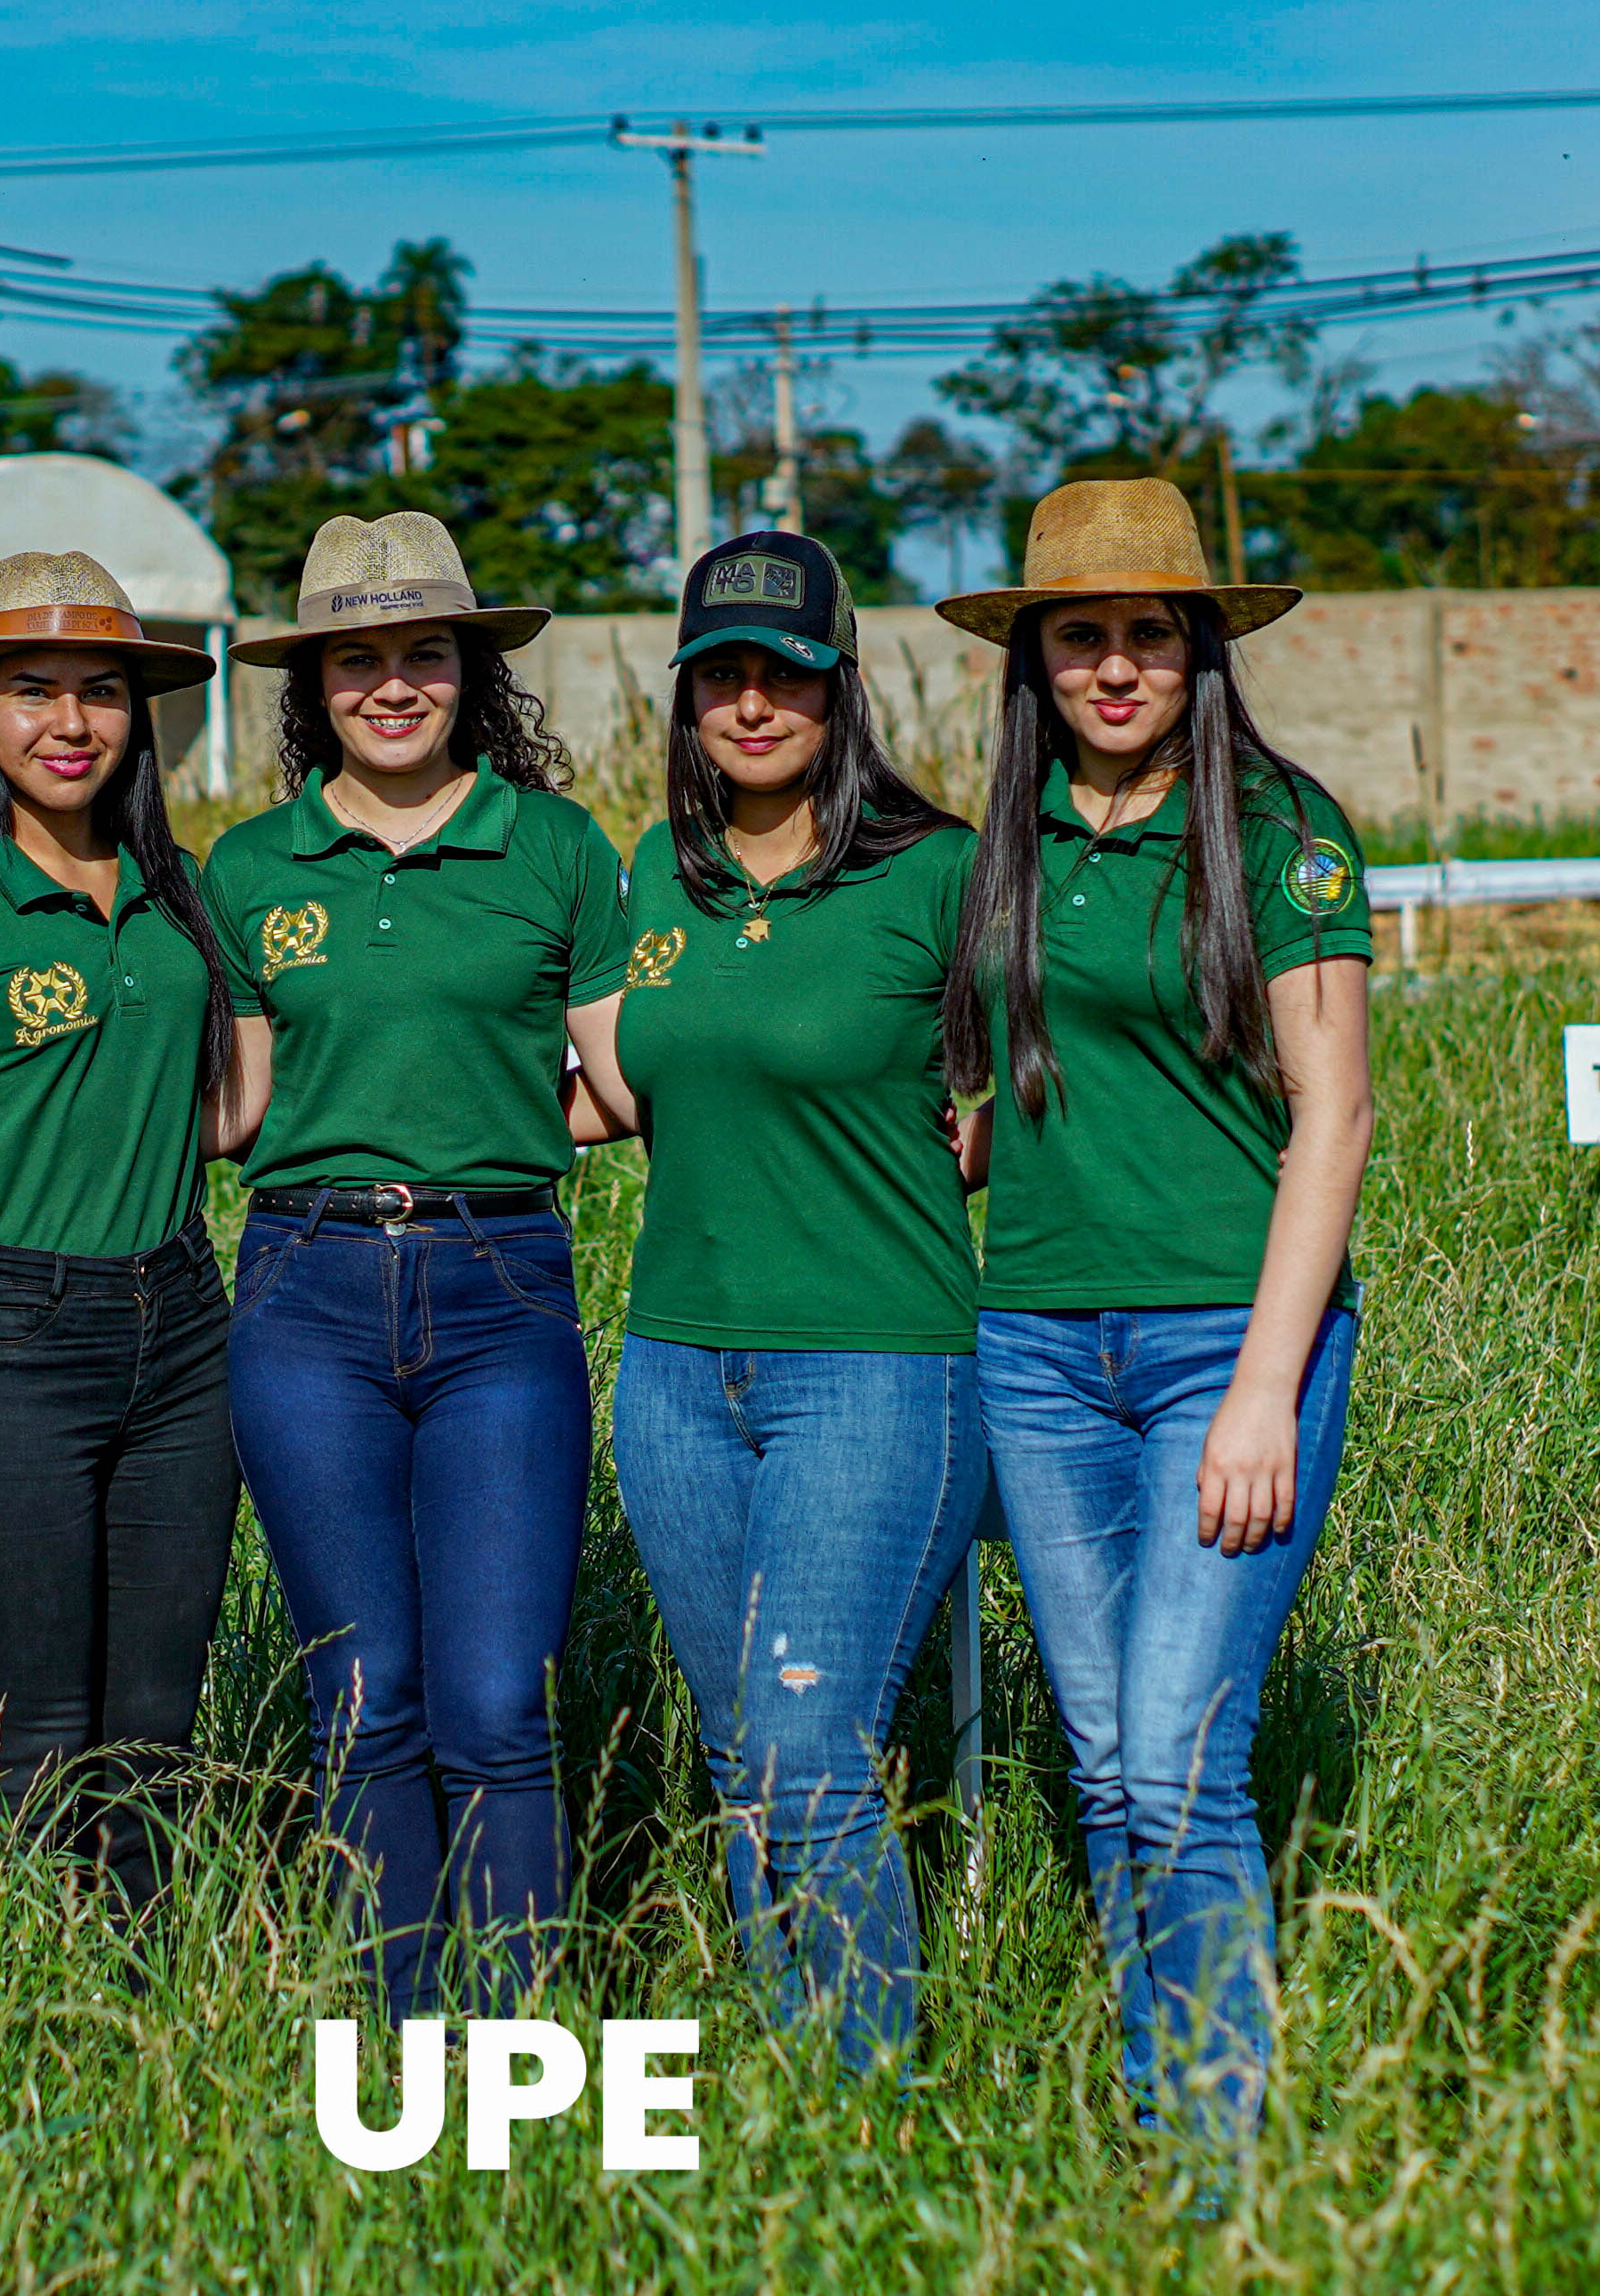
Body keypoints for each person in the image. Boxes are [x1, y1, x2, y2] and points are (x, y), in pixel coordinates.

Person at [936, 478, 1375, 2156]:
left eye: (1147, 635)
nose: (1115, 668)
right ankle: (1154, 2103)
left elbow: (1330, 1118)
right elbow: (1003, 1087)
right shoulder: (1006, 840)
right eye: (1080, 637)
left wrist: (1267, 1391)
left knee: (1184, 1763)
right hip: (1037, 1348)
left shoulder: (1281, 832)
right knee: (1111, 1762)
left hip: (1222, 1347)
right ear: (1033, 661)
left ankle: (1219, 2158)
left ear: (1199, 650)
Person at [202, 511, 635, 2015]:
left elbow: (624, 1085)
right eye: (358, 660)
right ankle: (402, 2040)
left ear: (472, 672)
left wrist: (501, 1130)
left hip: (501, 1291)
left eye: (424, 656)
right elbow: (239, 1106)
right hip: (302, 1295)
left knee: (499, 1703)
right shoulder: (250, 867)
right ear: (311, 685)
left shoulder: (559, 848)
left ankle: (519, 2044)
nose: (394, 686)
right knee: (365, 1696)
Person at [585, 530, 978, 2077]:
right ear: (688, 697)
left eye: (787, 675)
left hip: (877, 1365)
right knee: (746, 1754)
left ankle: (868, 2095)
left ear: (844, 687)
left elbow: (1044, 1062)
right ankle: (792, 2082)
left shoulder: (937, 868)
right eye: (722, 677)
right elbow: (607, 1088)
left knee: (812, 1748)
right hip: (678, 1368)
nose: (754, 705)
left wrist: (985, 1124)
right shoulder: (650, 874)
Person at [0, 550, 243, 1930]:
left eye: (100, 693)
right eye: (32, 691)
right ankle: (6, 2022)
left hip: (185, 1331)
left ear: (140, 717)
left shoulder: (176, 892)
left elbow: (226, 1111)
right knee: (30, 1728)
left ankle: (140, 2005)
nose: (69, 723)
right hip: (12, 1337)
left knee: (154, 1724)